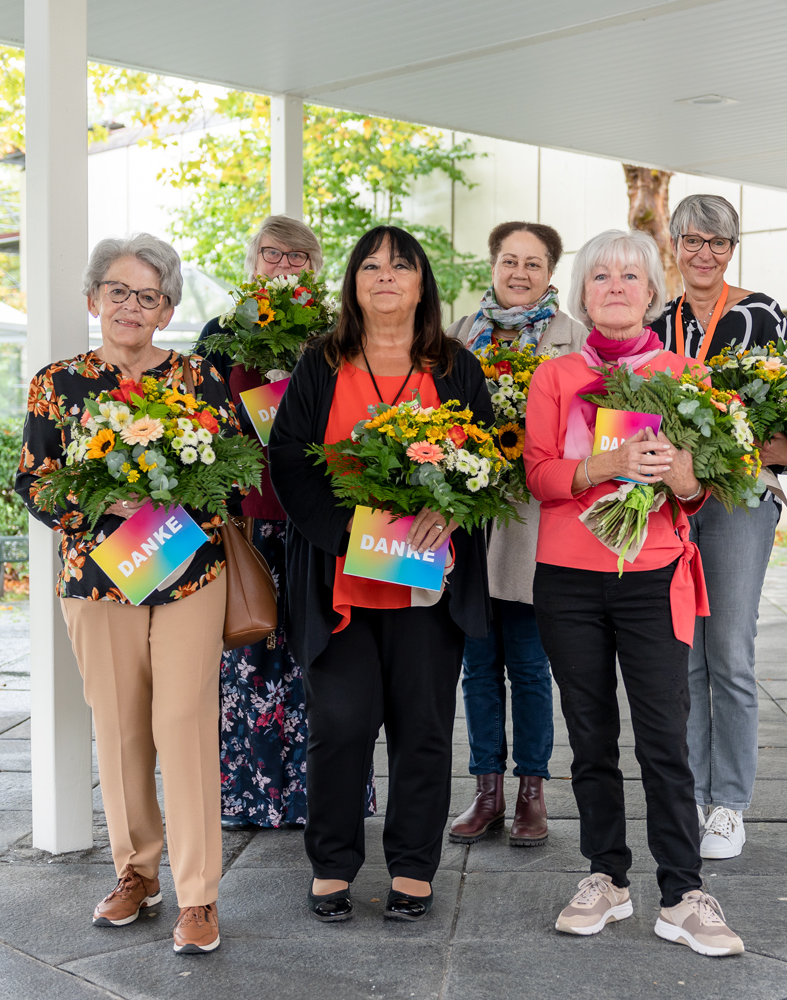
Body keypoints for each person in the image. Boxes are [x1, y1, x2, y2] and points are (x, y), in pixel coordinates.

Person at [525, 228, 744, 957]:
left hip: (653, 574)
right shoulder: (553, 377)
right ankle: (606, 878)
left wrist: (678, 472)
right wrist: (606, 462)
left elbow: (699, 493)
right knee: (589, 736)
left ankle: (682, 893)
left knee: (664, 740)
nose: (615, 286)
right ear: (583, 294)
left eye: (630, 276)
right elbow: (539, 475)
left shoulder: (686, 375)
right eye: (601, 277)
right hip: (568, 577)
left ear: (653, 292)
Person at [16, 233, 236, 955]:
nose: (131, 306)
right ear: (93, 299)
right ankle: (136, 873)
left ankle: (198, 894)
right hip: (96, 578)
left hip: (186, 573)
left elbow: (228, 472)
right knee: (119, 731)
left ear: (167, 308)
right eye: (119, 292)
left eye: (148, 296)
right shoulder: (58, 384)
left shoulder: (199, 379)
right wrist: (99, 509)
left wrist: (165, 505)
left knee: (184, 724)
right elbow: (35, 480)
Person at [269, 225, 493, 923]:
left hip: (427, 582)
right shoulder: (320, 361)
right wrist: (349, 537)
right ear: (353, 283)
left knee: (423, 727)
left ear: (422, 282)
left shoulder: (457, 365)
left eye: (401, 266)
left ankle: (414, 866)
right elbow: (289, 460)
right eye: (370, 266)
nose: (386, 276)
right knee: (338, 726)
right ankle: (332, 864)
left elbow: (483, 462)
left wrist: (454, 514)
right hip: (340, 582)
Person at [195, 216, 376, 831]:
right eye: (271, 254)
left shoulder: (336, 331)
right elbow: (198, 421)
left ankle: (320, 798)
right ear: (252, 262)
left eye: (297, 257)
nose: (283, 265)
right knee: (247, 654)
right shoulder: (222, 333)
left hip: (321, 519)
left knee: (324, 658)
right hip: (249, 521)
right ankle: (249, 797)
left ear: (315, 268)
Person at [650, 194, 787, 860]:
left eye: (719, 242)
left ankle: (730, 804)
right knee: (684, 655)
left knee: (730, 654)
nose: (705, 253)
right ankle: (693, 792)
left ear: (732, 249)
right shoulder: (657, 323)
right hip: (674, 500)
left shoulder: (760, 312)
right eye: (693, 240)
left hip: (740, 497)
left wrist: (780, 449)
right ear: (674, 245)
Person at [444, 221, 586, 848]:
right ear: (493, 265)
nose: (520, 273)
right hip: (470, 523)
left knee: (530, 666)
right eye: (509, 260)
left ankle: (532, 791)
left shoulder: (571, 339)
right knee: (476, 666)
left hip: (538, 522)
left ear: (551, 273)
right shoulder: (456, 337)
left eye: (534, 263)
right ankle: (486, 789)